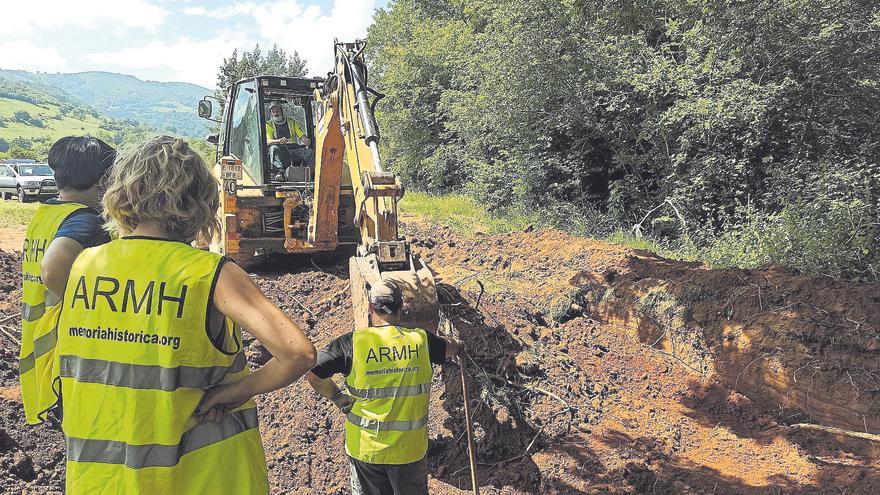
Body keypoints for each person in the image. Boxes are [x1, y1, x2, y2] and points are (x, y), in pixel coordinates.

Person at [53, 135, 317, 493]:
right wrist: (237, 391)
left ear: (126, 192)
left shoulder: (86, 265)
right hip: (202, 479)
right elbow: (298, 353)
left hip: (101, 480)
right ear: (199, 200)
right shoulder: (209, 274)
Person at [307, 280, 462, 495]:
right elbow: (450, 348)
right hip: (409, 451)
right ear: (402, 308)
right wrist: (460, 345)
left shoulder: (352, 343)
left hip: (366, 450)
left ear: (370, 309)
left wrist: (337, 396)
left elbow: (312, 370)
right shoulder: (421, 341)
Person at [19, 136, 115, 425]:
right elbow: (51, 269)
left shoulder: (47, 213)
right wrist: (84, 309)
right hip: (68, 343)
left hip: (42, 341)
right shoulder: (85, 219)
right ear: (103, 180)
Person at [266, 101, 315, 180]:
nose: (276, 113)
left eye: (278, 110)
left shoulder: (291, 122)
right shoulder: (269, 124)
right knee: (273, 148)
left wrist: (305, 139)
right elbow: (268, 141)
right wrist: (279, 141)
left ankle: (309, 175)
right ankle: (279, 173)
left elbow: (301, 134)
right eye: (273, 111)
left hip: (293, 149)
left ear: (282, 111)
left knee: (310, 153)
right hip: (280, 151)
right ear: (271, 113)